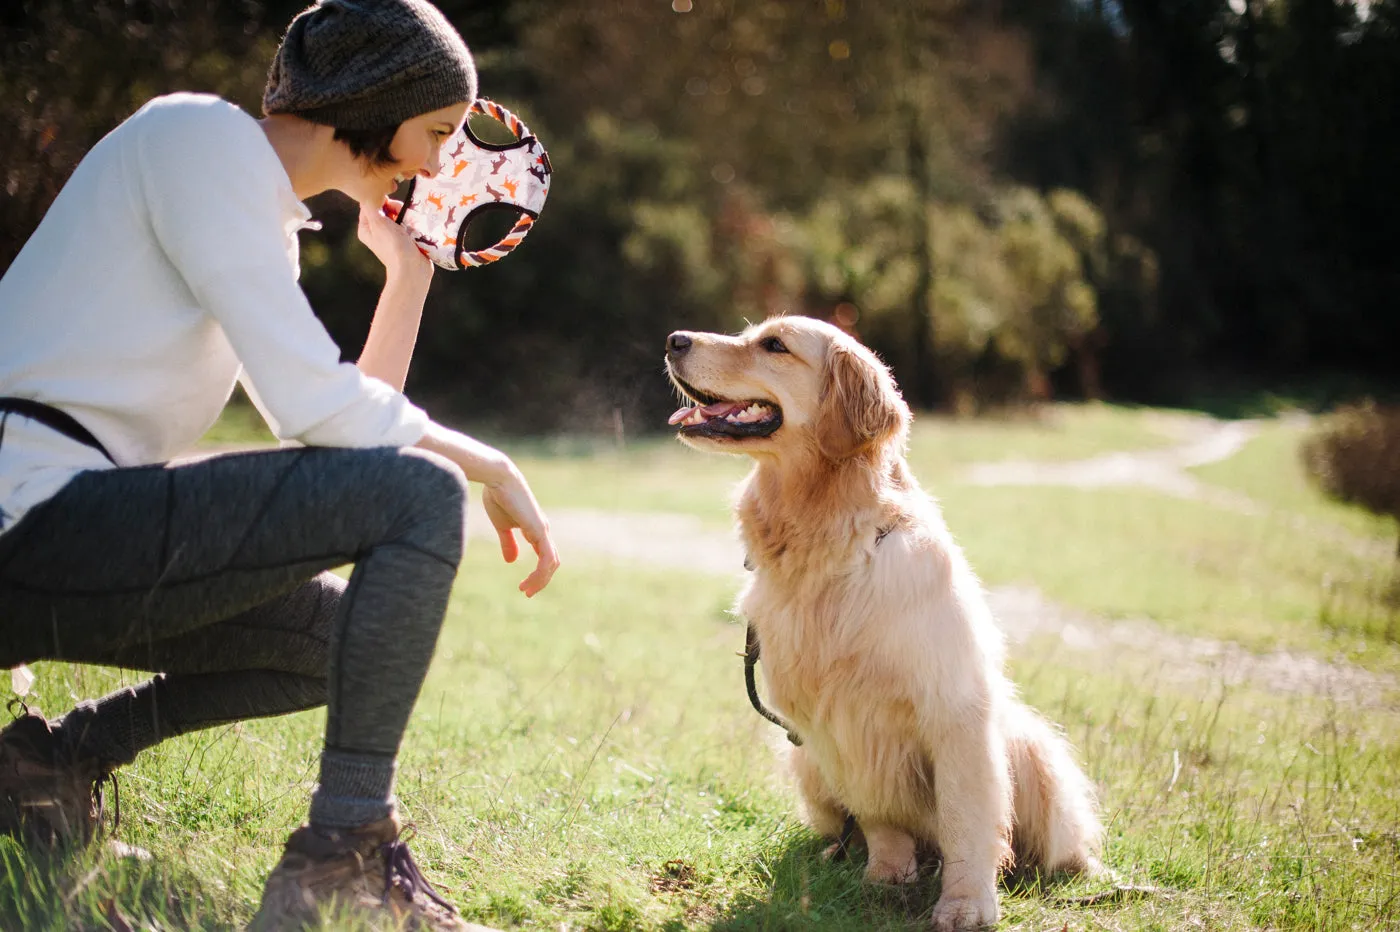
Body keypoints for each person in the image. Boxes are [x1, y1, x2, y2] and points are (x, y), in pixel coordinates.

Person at [0, 0, 558, 928]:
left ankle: (56, 759)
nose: (431, 165)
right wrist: (487, 462)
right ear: (376, 101)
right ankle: (346, 853)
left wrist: (407, 280)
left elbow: (334, 431)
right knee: (424, 492)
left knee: (343, 640)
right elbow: (333, 419)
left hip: (63, 535)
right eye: (433, 133)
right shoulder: (196, 141)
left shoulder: (246, 211)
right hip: (30, 520)